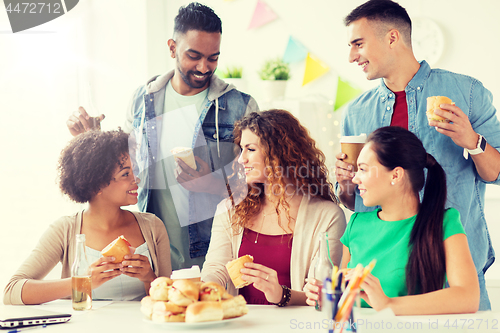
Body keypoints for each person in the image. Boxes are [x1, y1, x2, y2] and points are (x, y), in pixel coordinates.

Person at [66, 3, 259, 271]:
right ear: (172, 48)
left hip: (215, 252)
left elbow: (261, 184)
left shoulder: (240, 106)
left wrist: (210, 184)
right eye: (194, 55)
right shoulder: (143, 99)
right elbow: (124, 164)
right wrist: (90, 138)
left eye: (213, 57)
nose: (204, 67)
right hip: (152, 250)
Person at [335, 0, 500, 310]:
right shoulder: (355, 113)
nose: (351, 56)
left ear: (392, 38)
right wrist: (345, 181)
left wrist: (472, 140)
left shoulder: (468, 93)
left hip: (455, 274)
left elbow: (498, 173)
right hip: (384, 280)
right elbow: (355, 200)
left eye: (358, 43)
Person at [312, 127, 479, 314]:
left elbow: (468, 297)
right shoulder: (355, 224)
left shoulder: (444, 223)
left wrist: (388, 305)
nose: (355, 178)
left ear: (396, 175)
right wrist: (326, 295)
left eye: (363, 169)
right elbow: (345, 302)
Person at [3, 129, 171, 305]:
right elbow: (12, 291)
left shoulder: (152, 226)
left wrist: (149, 278)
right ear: (96, 185)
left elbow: (170, 299)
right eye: (126, 174)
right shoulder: (64, 230)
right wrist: (83, 281)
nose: (136, 179)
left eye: (134, 170)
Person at [201, 110, 346, 306]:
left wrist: (280, 294)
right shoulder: (230, 208)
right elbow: (216, 267)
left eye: (250, 149)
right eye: (241, 149)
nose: (241, 159)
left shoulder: (327, 216)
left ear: (278, 153)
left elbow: (319, 295)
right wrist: (205, 288)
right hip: (240, 322)